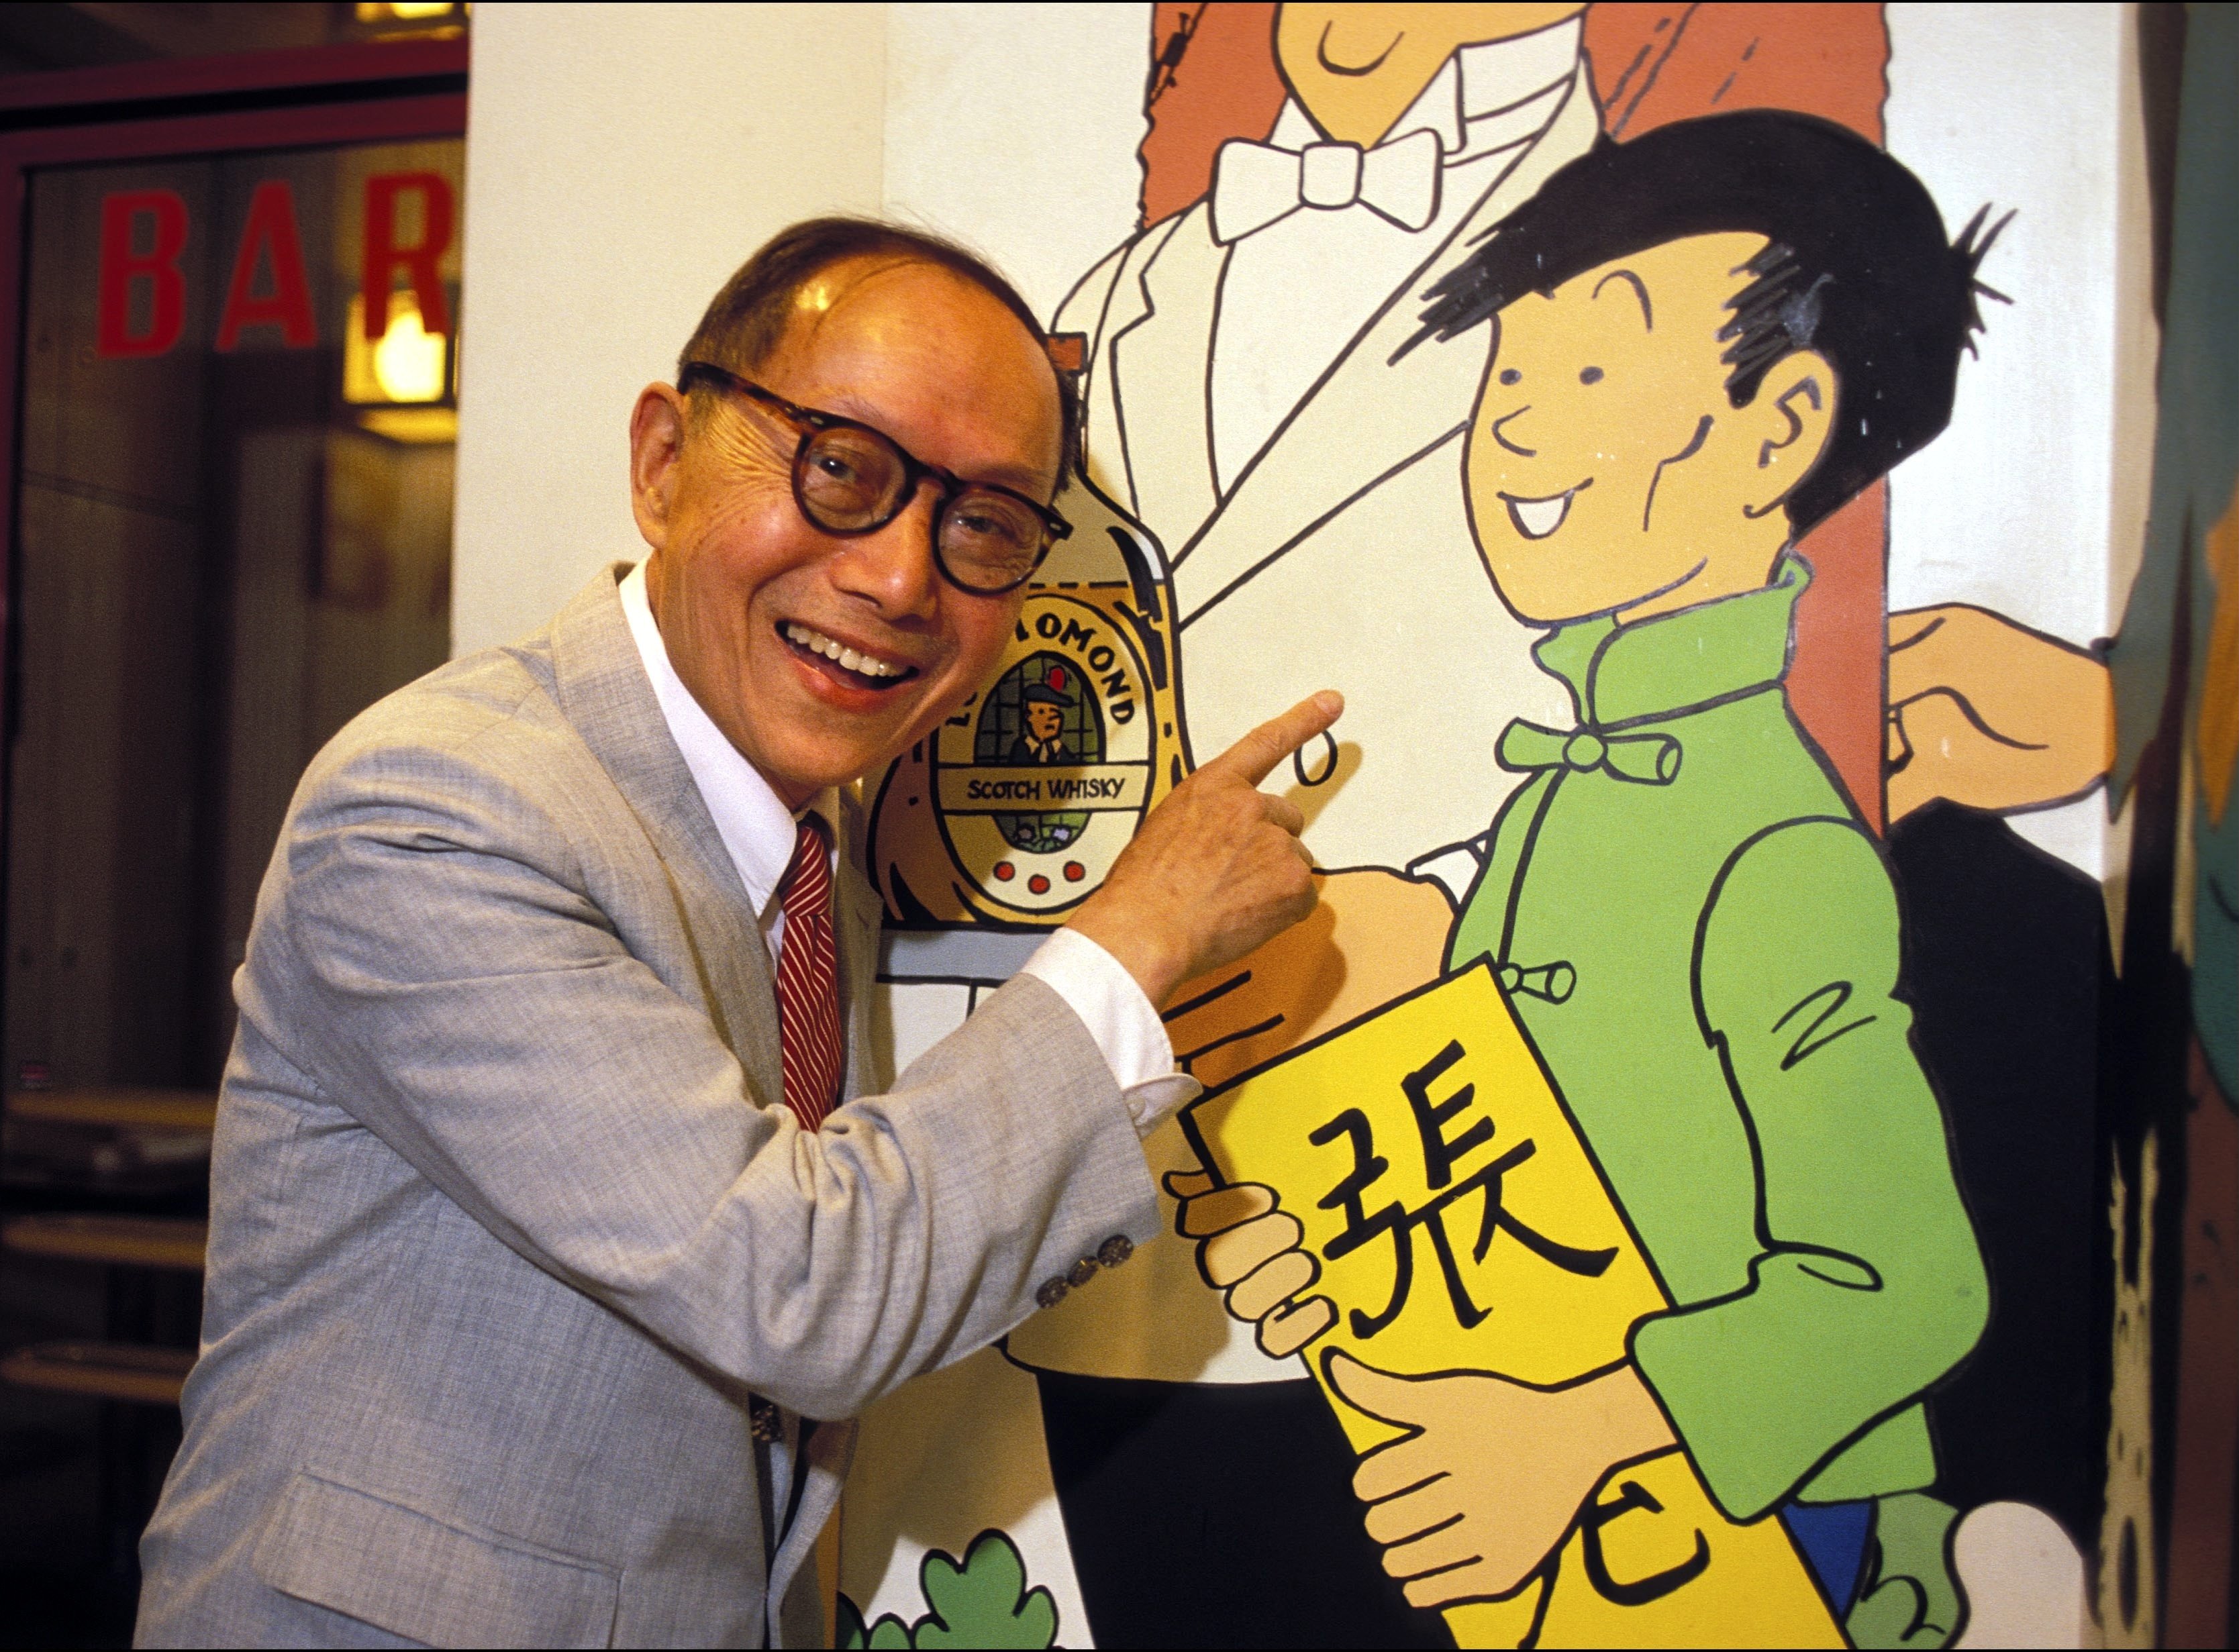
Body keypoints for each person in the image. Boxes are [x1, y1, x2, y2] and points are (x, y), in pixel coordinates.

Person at [132, 217, 1342, 1649]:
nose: (901, 580)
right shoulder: (440, 805)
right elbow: (798, 1283)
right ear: (661, 463)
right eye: (841, 468)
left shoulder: (815, 844)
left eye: (985, 526)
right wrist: (1136, 931)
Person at [1185, 112, 1998, 1645]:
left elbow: (1904, 1286)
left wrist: (1567, 1436)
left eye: (1592, 369)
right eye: (1513, 369)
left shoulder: (1772, 846)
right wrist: (1325, 1262)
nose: (1517, 425)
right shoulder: (1573, 792)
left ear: (1780, 429)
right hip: (1562, 1539)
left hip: (1733, 1530)